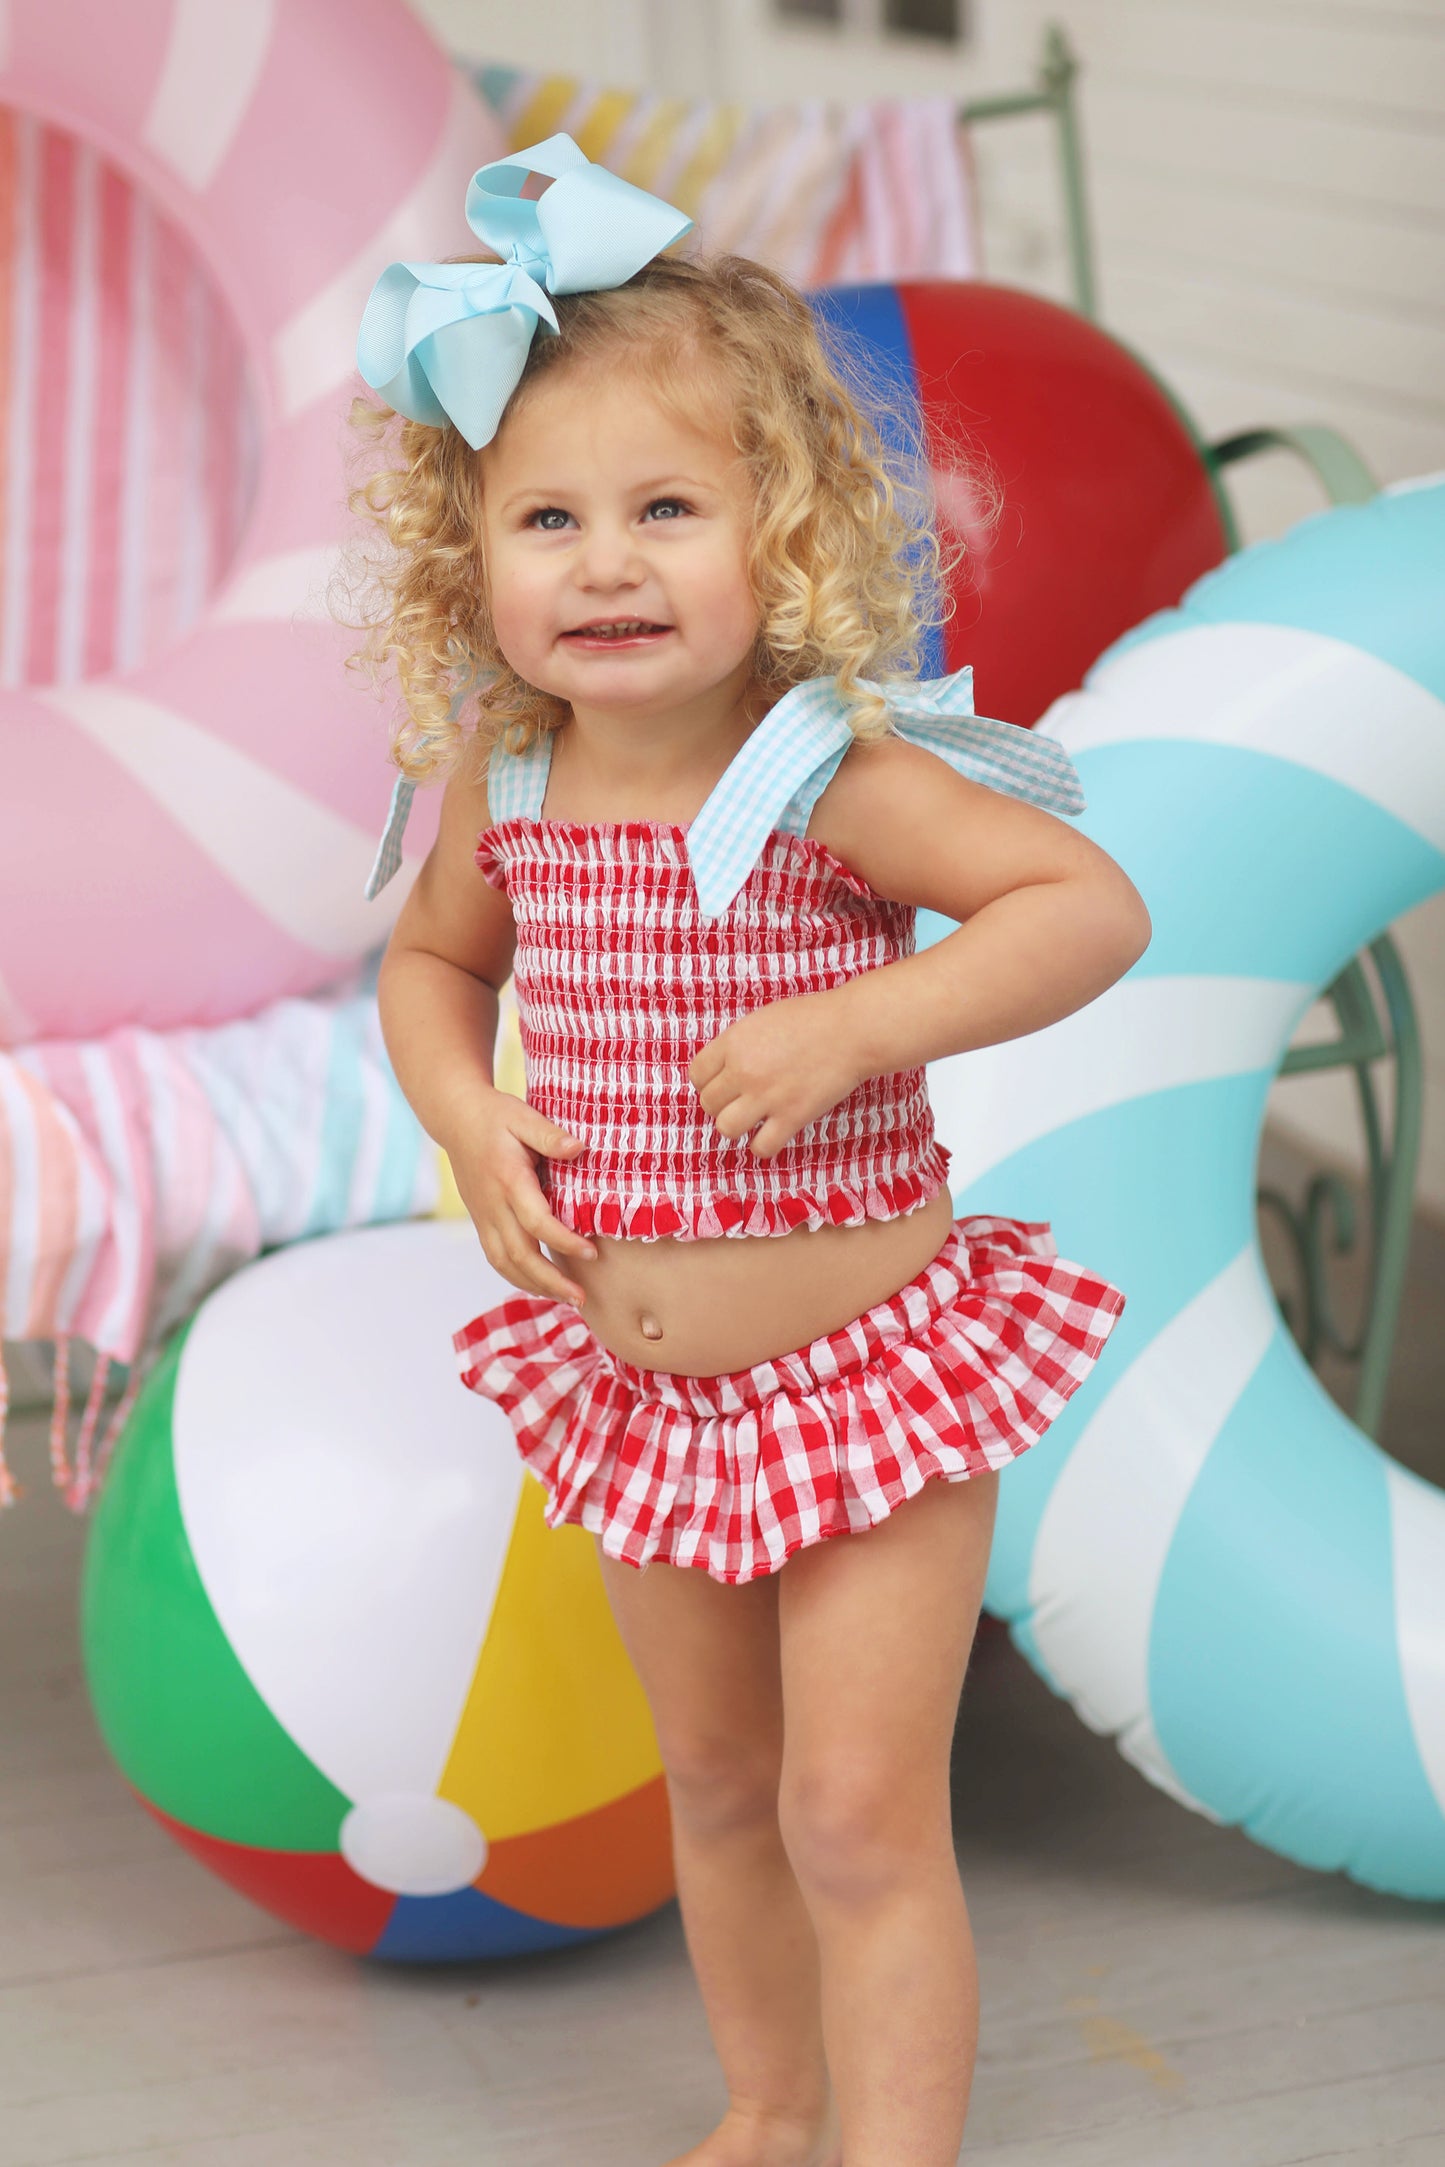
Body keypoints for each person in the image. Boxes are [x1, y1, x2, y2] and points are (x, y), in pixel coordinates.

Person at [348, 135, 1149, 2167]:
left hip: (870, 1376)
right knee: (713, 1778)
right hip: (640, 1391)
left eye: (667, 508)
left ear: (773, 532)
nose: (606, 562)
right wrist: (467, 1103)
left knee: (853, 1809)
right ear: (472, 557)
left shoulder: (819, 770)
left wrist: (868, 1015)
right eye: (549, 517)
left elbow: (1080, 907)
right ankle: (770, 2108)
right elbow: (433, 969)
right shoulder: (505, 775)